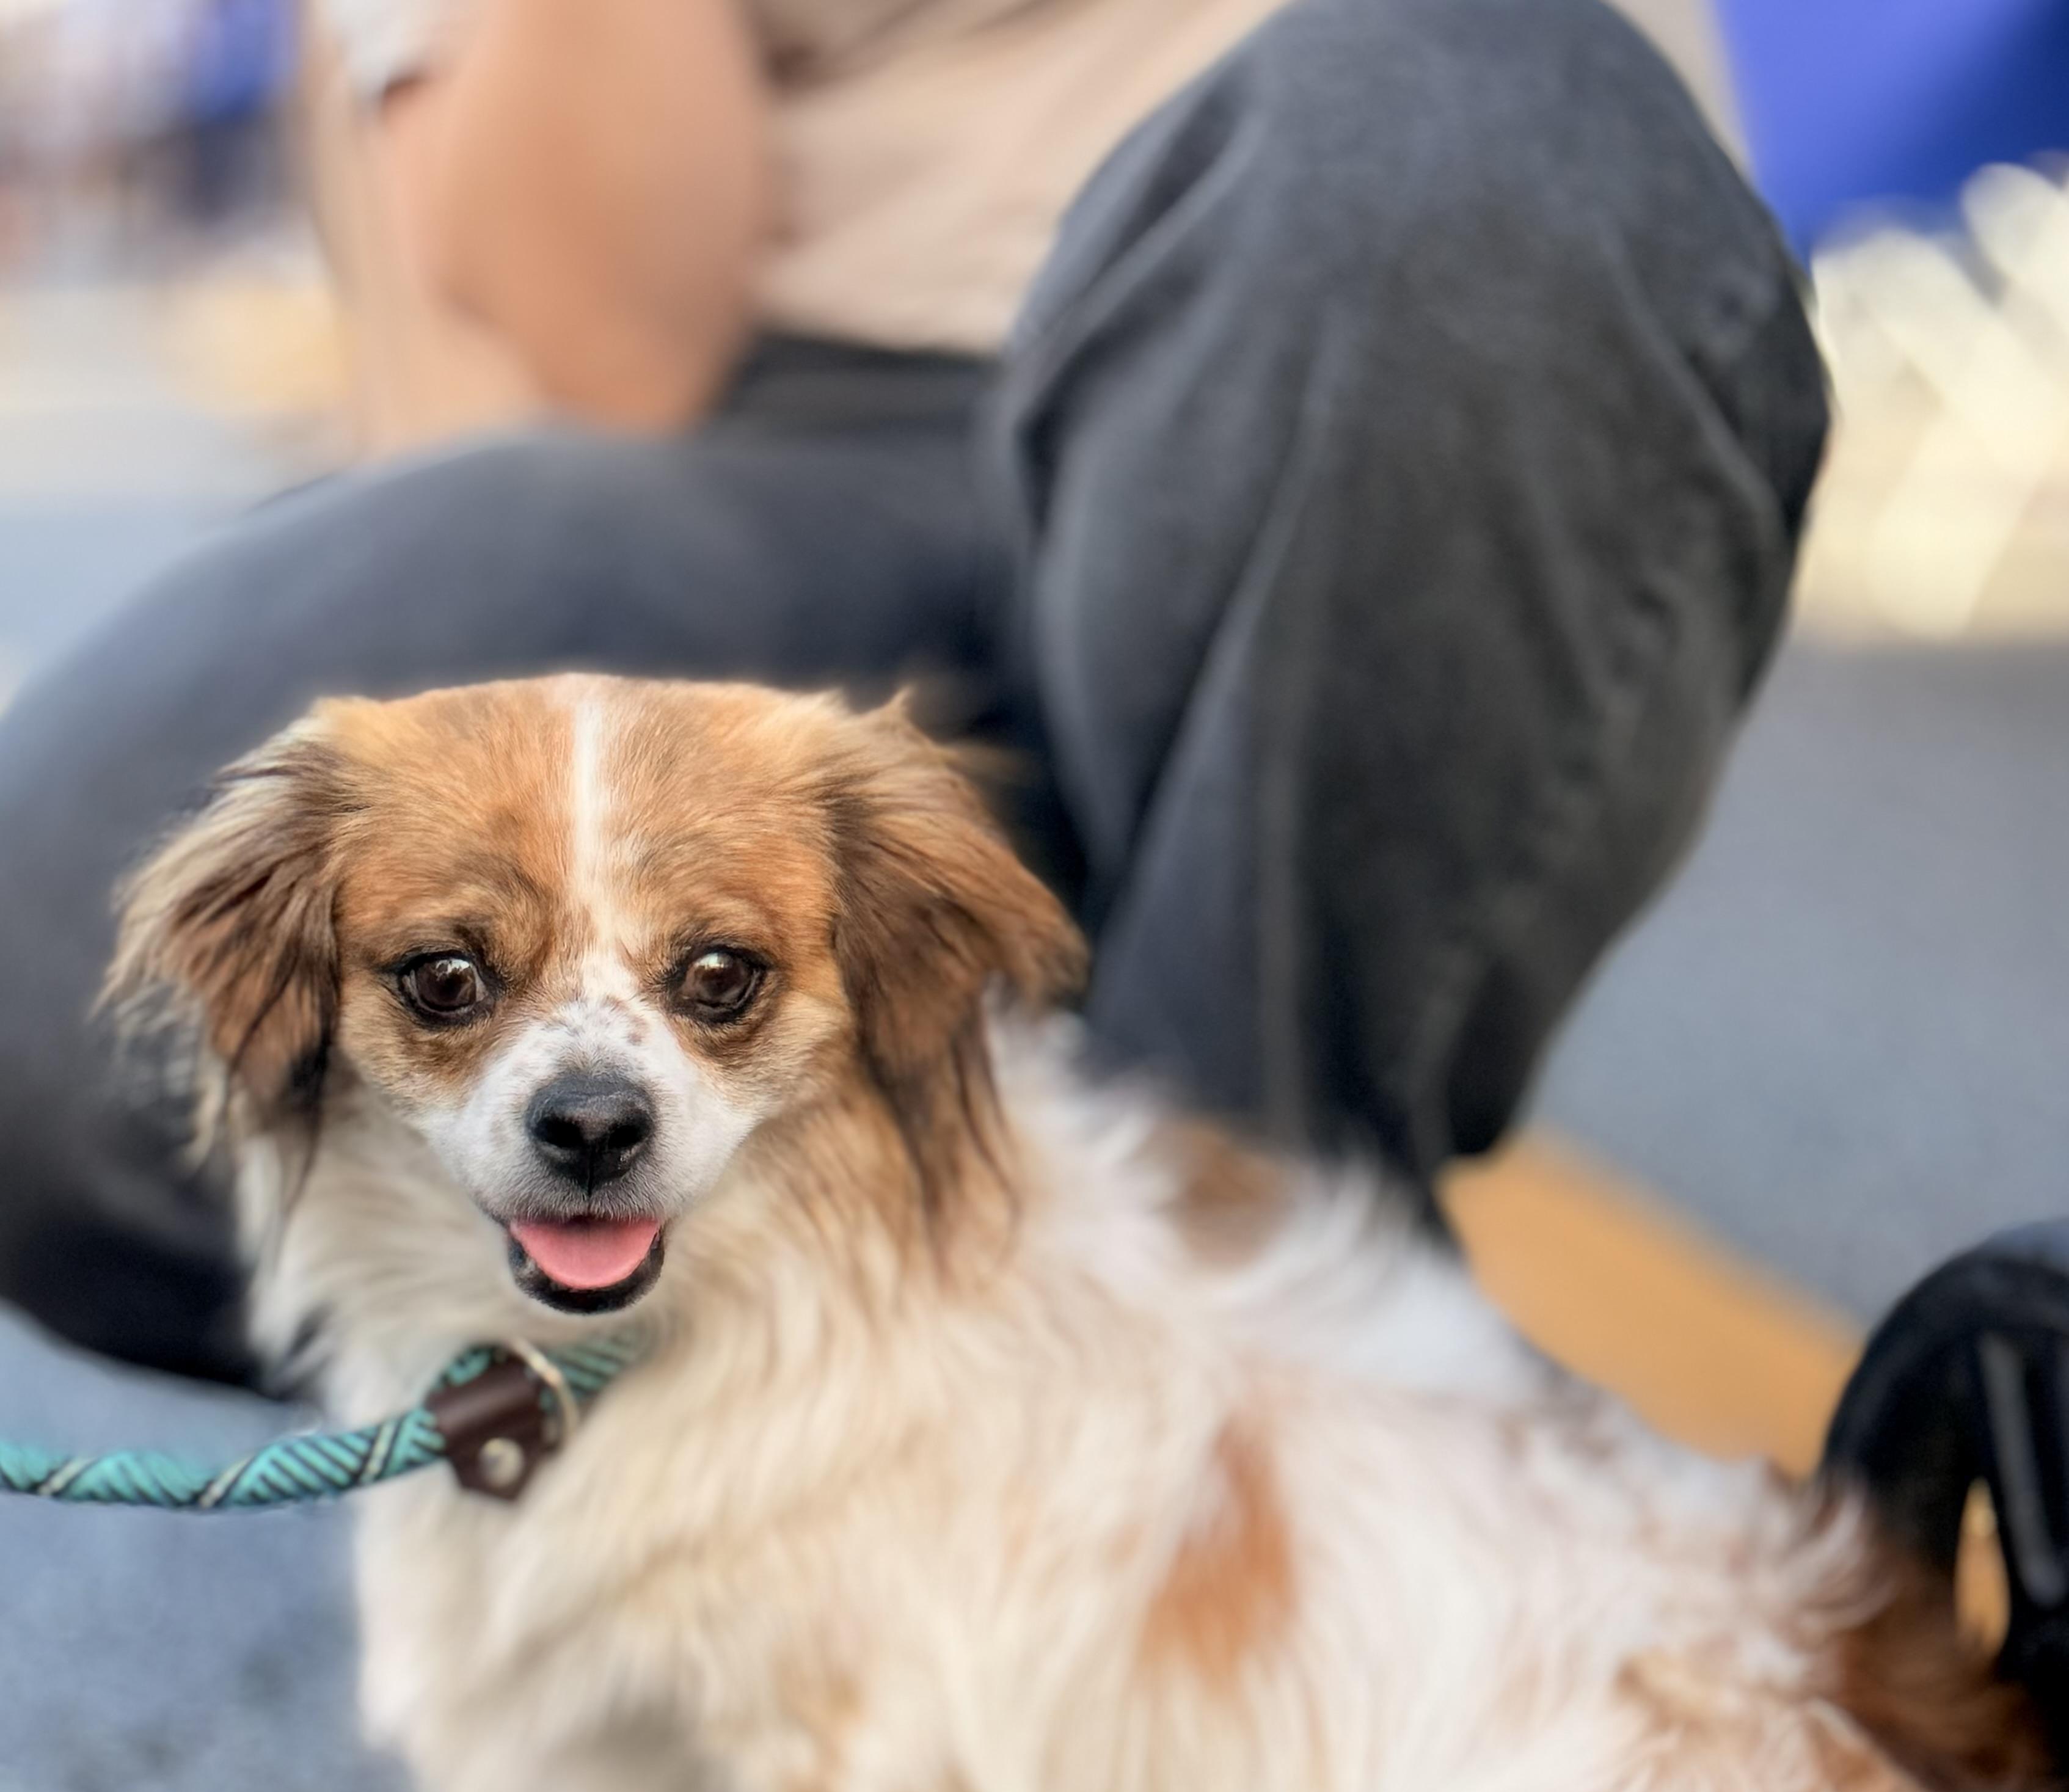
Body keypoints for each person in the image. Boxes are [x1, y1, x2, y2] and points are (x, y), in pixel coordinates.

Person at [0, 0, 1826, 1385]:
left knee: (1431, 107)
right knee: (49, 969)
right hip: (797, 423)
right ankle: (793, 1385)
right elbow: (608, 332)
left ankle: (1235, 1338)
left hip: (1387, 314)